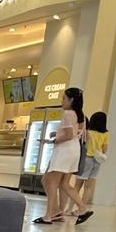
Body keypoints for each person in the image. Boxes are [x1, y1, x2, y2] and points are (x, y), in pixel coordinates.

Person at [34, 87, 92, 225]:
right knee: (62, 183)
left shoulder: (68, 114)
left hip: (64, 151)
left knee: (51, 181)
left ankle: (49, 215)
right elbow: (75, 133)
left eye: (64, 98)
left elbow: (69, 135)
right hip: (74, 150)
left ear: (71, 100)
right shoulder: (80, 115)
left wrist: (55, 140)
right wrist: (58, 134)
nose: (62, 101)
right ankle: (80, 208)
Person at [68, 111, 109, 216]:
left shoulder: (88, 132)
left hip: (87, 160)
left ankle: (69, 209)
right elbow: (104, 150)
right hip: (97, 161)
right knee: (88, 187)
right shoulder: (106, 134)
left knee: (77, 186)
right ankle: (81, 210)